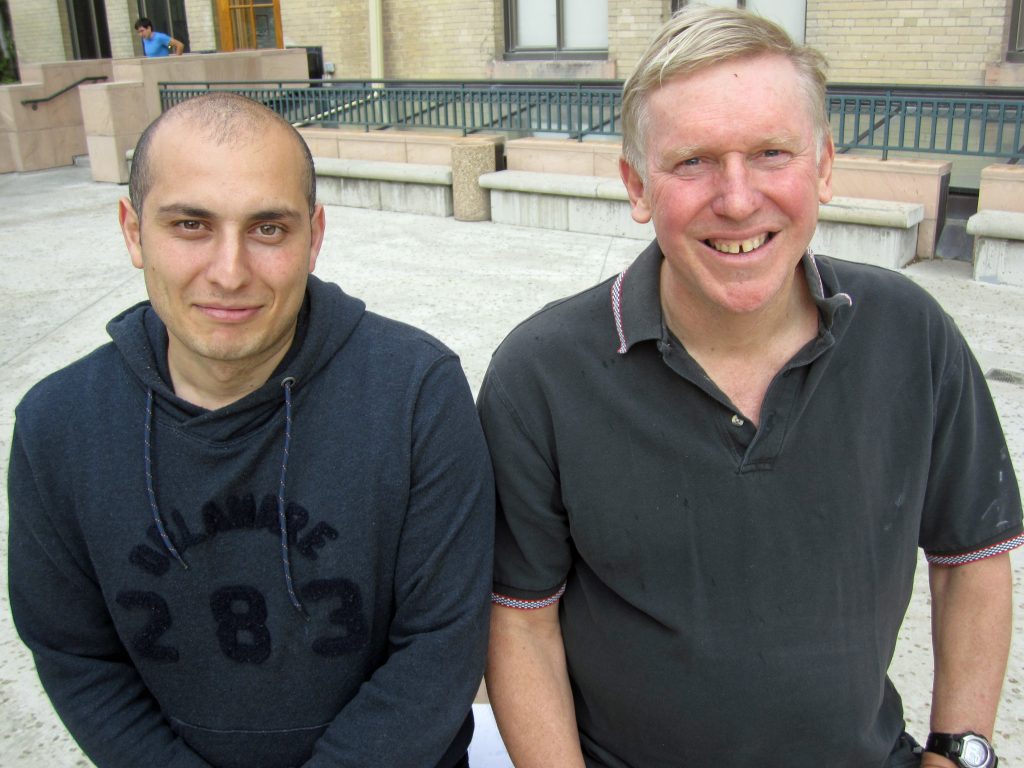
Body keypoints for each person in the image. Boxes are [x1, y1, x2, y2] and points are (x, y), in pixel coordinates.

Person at [477, 7, 1022, 768]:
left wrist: (958, 752)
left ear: (825, 165)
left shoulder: (911, 334)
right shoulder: (539, 376)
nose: (737, 200)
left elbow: (972, 557)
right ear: (636, 184)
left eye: (772, 153)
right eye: (692, 161)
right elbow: (521, 623)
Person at [8, 92, 493, 768]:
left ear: (314, 236)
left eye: (268, 229)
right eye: (190, 225)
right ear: (131, 230)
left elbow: (444, 640)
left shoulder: (417, 393)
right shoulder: (55, 427)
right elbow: (75, 655)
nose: (230, 272)